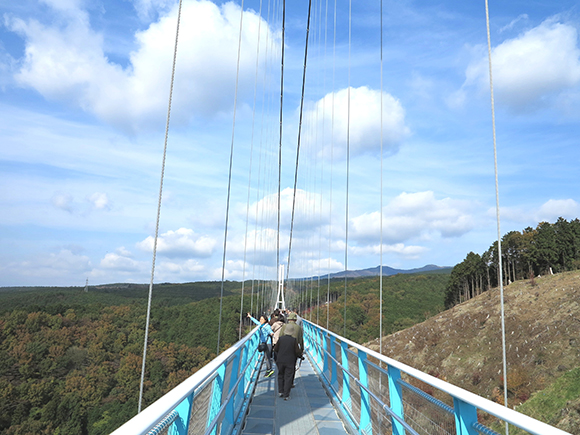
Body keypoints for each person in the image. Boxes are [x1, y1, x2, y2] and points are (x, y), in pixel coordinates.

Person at [273, 312, 303, 400]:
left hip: (280, 359)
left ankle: (280, 391)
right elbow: (299, 343)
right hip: (291, 358)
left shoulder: (281, 338)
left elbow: (276, 349)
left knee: (280, 374)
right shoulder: (294, 338)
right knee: (288, 376)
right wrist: (300, 352)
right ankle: (286, 395)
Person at [247, 313, 275, 377]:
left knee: (267, 357)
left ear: (265, 320)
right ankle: (268, 370)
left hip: (268, 344)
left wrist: (271, 333)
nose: (260, 320)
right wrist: (250, 317)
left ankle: (270, 370)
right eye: (260, 319)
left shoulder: (267, 326)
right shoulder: (261, 325)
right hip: (264, 343)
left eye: (262, 319)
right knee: (266, 357)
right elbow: (256, 322)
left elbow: (270, 331)